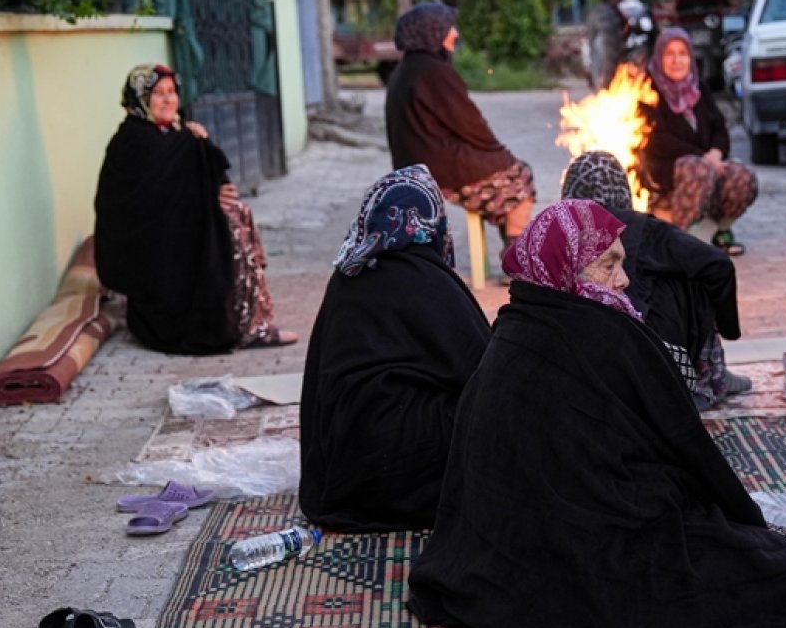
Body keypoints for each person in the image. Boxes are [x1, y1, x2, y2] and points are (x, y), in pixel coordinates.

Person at [406, 199, 786, 628]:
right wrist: (745, 522)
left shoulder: (517, 320)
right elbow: (685, 446)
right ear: (566, 269)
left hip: (504, 552)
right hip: (585, 547)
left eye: (622, 262)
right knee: (769, 568)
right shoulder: (602, 332)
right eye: (608, 264)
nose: (624, 280)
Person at [298, 165, 492, 531]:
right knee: (489, 416)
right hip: (395, 469)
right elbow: (484, 373)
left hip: (340, 473)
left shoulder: (348, 273)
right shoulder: (427, 279)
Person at [94, 64, 296, 355]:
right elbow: (148, 206)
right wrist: (207, 197)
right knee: (225, 229)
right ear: (139, 100)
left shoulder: (169, 133)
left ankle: (250, 322)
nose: (168, 100)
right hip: (152, 253)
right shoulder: (133, 142)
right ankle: (242, 327)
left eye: (172, 92)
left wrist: (196, 146)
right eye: (158, 94)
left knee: (234, 214)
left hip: (175, 234)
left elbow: (189, 176)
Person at [560, 151, 750, 410]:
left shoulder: (555, 232)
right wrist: (730, 330)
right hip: (644, 354)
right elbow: (718, 265)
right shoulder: (642, 228)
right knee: (692, 271)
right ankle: (710, 374)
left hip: (574, 359)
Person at [385, 0, 536, 258]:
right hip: (440, 169)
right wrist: (499, 153)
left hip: (416, 164)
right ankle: (517, 262)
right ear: (431, 32)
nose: (455, 33)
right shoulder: (433, 72)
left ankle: (515, 254)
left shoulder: (406, 70)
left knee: (505, 174)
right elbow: (470, 124)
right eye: (449, 27)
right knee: (520, 178)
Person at [638, 27, 759, 254]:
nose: (677, 61)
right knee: (699, 170)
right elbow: (658, 139)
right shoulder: (649, 91)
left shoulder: (699, 89)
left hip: (706, 167)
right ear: (659, 57)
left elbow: (719, 129)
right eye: (669, 54)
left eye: (682, 54)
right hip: (666, 174)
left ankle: (715, 233)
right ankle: (684, 243)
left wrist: (715, 153)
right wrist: (703, 158)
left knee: (742, 177)